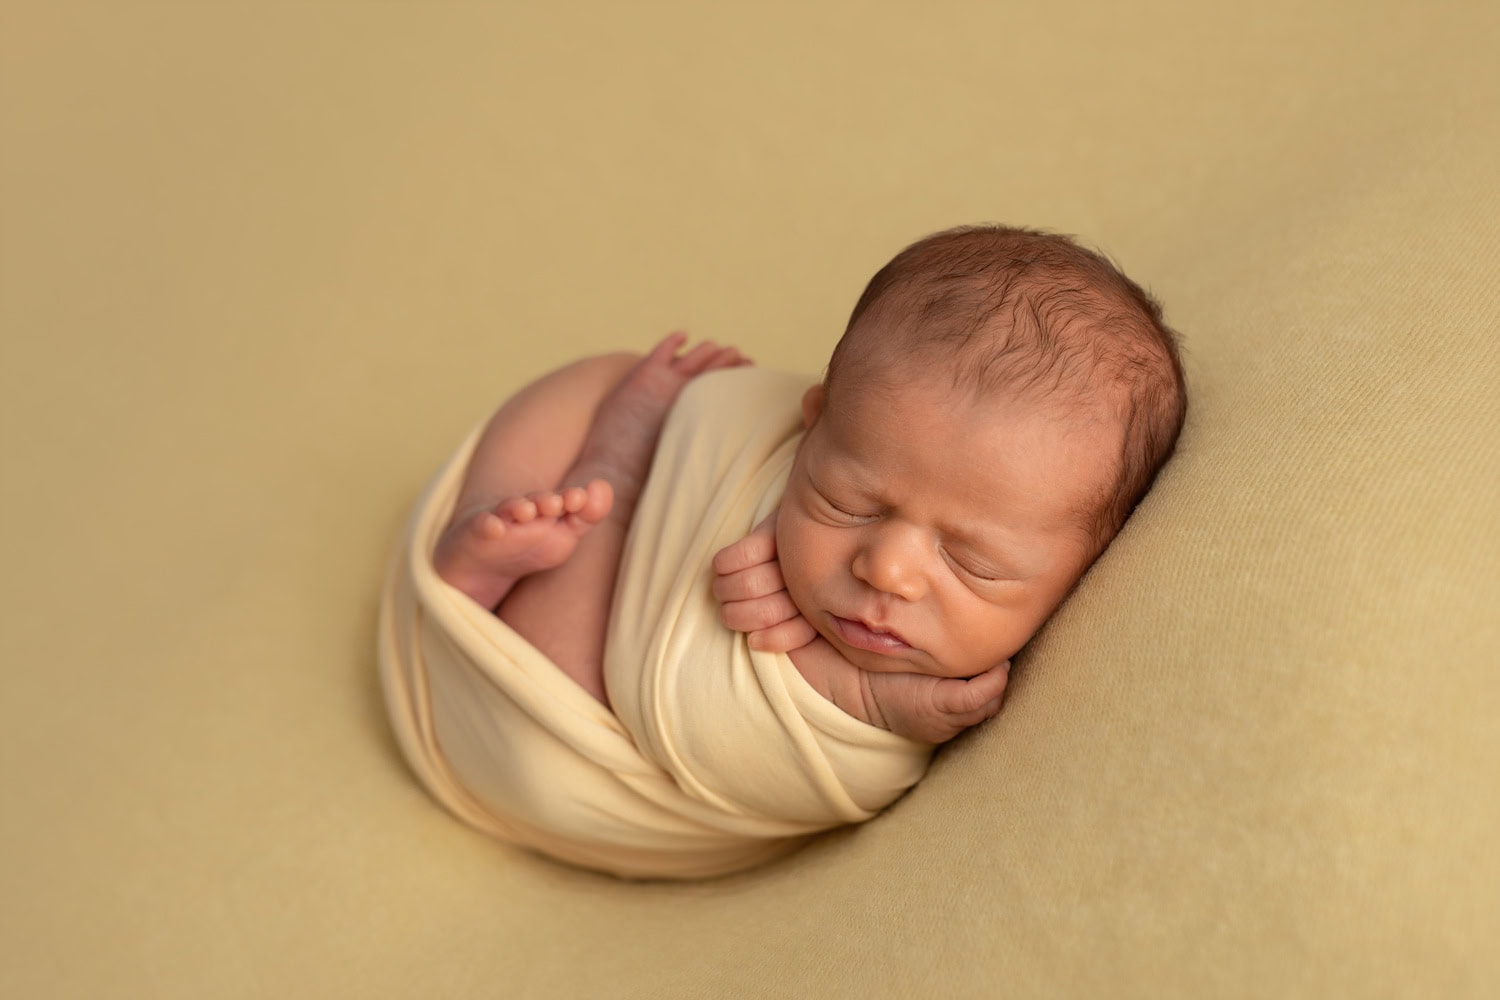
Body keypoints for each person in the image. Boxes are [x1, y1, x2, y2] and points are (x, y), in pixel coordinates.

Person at [380, 224, 1186, 877]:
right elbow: (740, 445)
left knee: (559, 711)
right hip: (605, 595)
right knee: (592, 379)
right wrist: (737, 511)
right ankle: (499, 518)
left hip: (566, 748)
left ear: (1088, 562)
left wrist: (858, 695)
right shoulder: (874, 438)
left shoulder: (934, 688)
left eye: (971, 562)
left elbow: (710, 740)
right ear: (816, 419)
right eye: (850, 499)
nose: (886, 569)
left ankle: (591, 497)